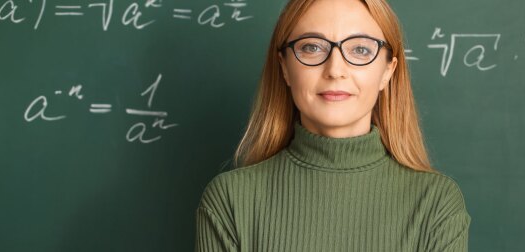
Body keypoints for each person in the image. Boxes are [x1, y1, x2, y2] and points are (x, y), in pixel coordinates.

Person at [196, 0, 471, 251]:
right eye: (312, 47)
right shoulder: (230, 200)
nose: (335, 69)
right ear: (285, 67)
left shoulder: (436, 203)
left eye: (361, 49)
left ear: (388, 71)